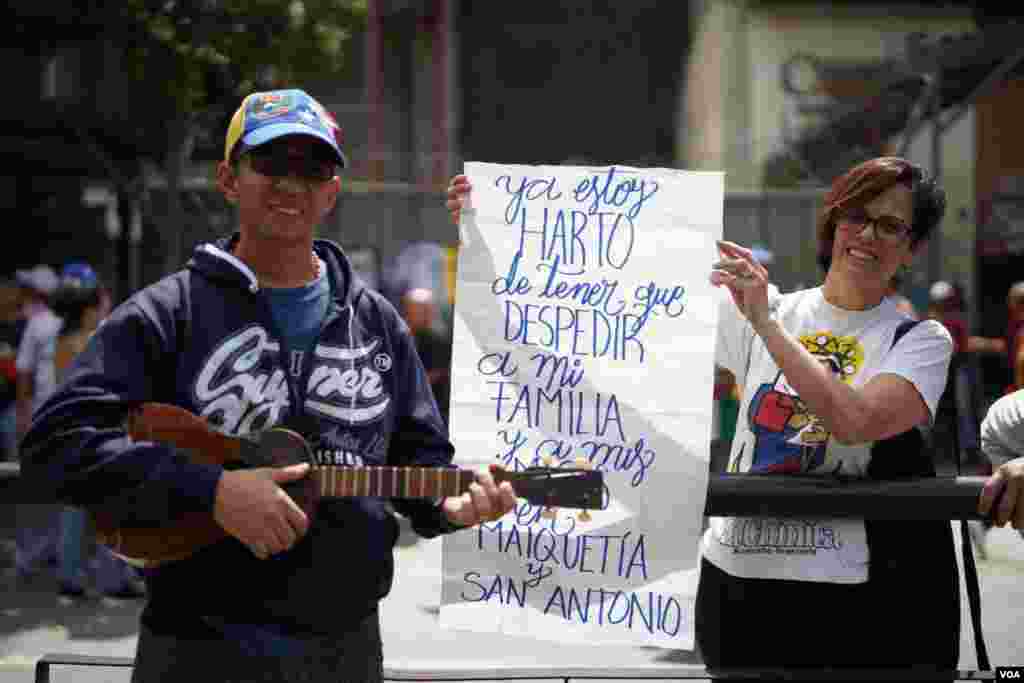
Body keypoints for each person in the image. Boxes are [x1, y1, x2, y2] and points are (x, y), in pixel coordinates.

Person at [20, 88, 516, 683]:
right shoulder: (166, 313)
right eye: (271, 163)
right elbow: (53, 442)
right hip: (199, 649)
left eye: (313, 167)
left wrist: (448, 506)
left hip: (344, 653)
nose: (291, 183)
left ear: (332, 191)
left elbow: (420, 459)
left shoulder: (378, 323)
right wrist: (211, 490)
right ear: (230, 180)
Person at [447, 156, 957, 674]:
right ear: (834, 222)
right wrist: (495, 227)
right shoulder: (767, 308)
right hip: (736, 580)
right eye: (856, 216)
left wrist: (766, 326)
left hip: (848, 595)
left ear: (913, 247)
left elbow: (856, 421)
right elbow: (603, 303)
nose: (867, 235)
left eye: (890, 225)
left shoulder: (919, 341)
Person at [48, 263, 145, 601]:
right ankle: (113, 576)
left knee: (75, 511)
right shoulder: (92, 340)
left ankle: (71, 575)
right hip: (97, 433)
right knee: (110, 506)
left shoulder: (63, 339)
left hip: (71, 433)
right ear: (90, 305)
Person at [12, 264, 61, 581]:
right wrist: (24, 415)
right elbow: (25, 375)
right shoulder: (39, 324)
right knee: (37, 491)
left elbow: (25, 374)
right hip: (43, 419)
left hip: (59, 419)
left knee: (53, 491)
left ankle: (49, 553)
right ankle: (30, 557)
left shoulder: (51, 325)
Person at [399, 287, 451, 426]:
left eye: (428, 310)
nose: (428, 314)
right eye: (420, 310)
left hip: (432, 409)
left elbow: (435, 373)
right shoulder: (397, 335)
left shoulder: (439, 339)